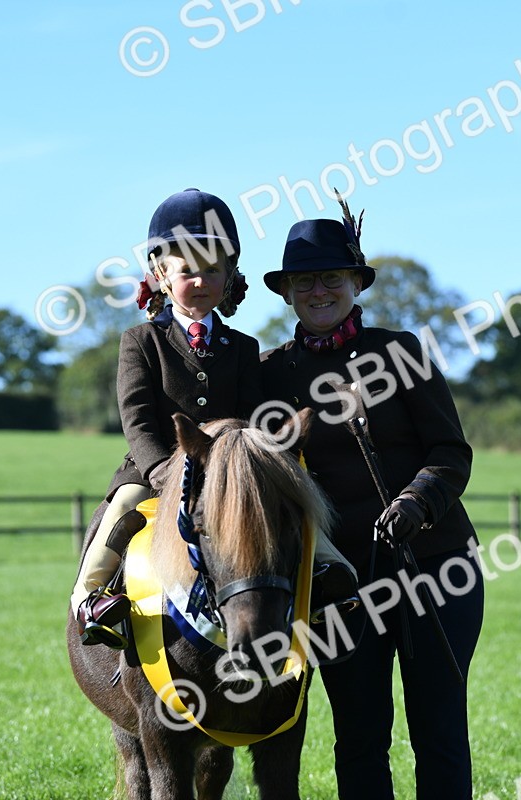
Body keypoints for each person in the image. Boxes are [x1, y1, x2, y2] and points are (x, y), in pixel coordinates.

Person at [260, 209, 485, 799]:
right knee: (359, 738)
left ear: (357, 283)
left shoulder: (402, 352)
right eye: (305, 280)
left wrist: (417, 501)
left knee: (439, 730)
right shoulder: (271, 375)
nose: (319, 290)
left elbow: (450, 452)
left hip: (435, 568)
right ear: (285, 291)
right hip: (340, 583)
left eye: (333, 276)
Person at [71, 187, 357, 649]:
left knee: (291, 495)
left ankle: (326, 570)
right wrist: (162, 469)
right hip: (155, 465)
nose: (201, 282)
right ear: (162, 275)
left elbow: (250, 414)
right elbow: (138, 418)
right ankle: (91, 595)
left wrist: (250, 464)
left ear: (229, 276)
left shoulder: (243, 347)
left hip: (231, 468)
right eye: (188, 272)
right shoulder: (141, 341)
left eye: (212, 271)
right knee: (123, 504)